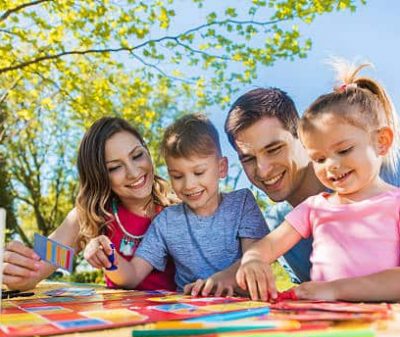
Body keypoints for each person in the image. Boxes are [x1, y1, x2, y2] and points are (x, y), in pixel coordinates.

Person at [191, 67, 400, 297]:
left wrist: (335, 290)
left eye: (274, 149)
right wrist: (232, 274)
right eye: (248, 159)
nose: (263, 170)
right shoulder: (284, 217)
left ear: (303, 139)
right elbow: (265, 249)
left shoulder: (389, 174)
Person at [84, 114, 268, 293]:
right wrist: (108, 257)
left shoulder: (242, 203)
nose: (189, 185)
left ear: (221, 168)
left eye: (199, 172)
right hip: (189, 313)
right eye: (177, 176)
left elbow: (256, 255)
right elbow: (132, 275)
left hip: (245, 310)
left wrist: (222, 279)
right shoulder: (165, 221)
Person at [3, 117, 177, 291]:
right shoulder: (88, 218)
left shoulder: (182, 208)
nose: (133, 172)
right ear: (99, 176)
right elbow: (34, 269)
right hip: (122, 317)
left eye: (137, 155)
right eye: (114, 167)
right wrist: (15, 270)